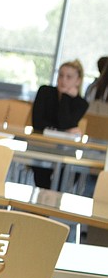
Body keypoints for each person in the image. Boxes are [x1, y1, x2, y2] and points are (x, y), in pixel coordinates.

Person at [30, 59, 89, 189]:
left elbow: (64, 122)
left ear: (78, 81)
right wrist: (64, 131)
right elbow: (38, 123)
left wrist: (66, 97)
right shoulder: (45, 92)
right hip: (42, 146)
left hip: (65, 151)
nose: (63, 80)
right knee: (42, 172)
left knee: (70, 171)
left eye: (69, 77)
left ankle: (52, 203)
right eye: (61, 75)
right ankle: (43, 203)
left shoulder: (81, 103)